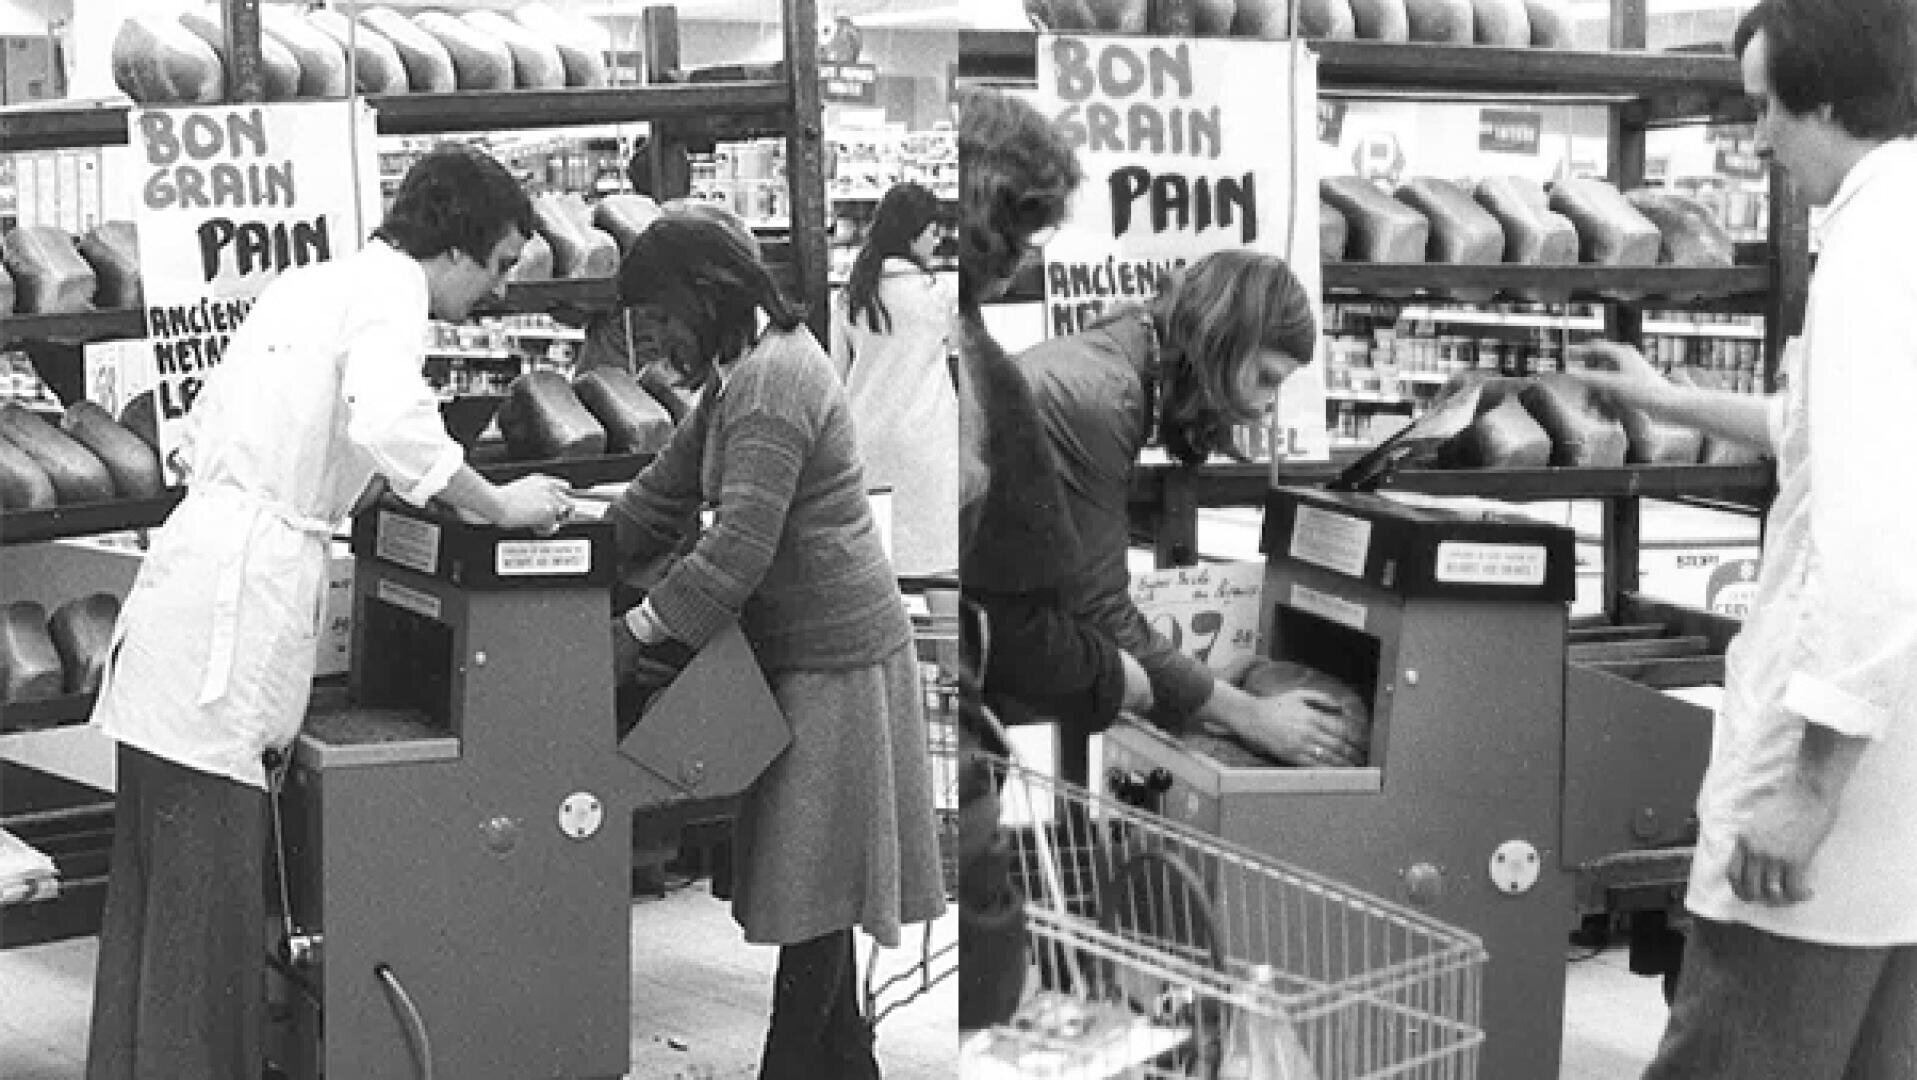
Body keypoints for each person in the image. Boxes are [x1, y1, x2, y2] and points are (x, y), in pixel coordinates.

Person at [85, 145, 573, 1080]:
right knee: (209, 898)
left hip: (188, 591)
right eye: (504, 263)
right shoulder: (390, 296)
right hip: (234, 604)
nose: (502, 290)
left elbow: (265, 429)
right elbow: (392, 424)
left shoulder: (311, 284)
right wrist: (499, 505)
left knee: (156, 899)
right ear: (459, 246)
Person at [1570, 2, 1917, 1075]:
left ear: (1826, 102)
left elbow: (1880, 531)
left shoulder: (1874, 250)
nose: (1759, 137)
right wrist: (1668, 397)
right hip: (1895, 803)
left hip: (1835, 786)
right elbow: (1818, 434)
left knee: (1737, 1050)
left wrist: (1808, 789)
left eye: (1767, 107)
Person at [602, 215, 945, 1079]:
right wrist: (557, 566)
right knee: (813, 883)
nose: (658, 339)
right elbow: (659, 496)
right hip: (794, 655)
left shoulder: (774, 380)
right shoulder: (734, 381)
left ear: (704, 293)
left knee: (812, 889)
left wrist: (631, 632)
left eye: (663, 315)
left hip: (838, 657)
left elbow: (737, 550)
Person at [1014, 249, 1366, 782]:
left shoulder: (1112, 365)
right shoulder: (1104, 398)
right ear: (1223, 345)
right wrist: (1252, 716)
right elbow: (1100, 612)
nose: (1265, 405)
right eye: (1267, 377)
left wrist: (1206, 693)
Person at [829, 180, 959, 575]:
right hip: (928, 443)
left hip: (867, 439)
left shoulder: (852, 296)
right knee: (936, 564)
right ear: (912, 233)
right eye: (932, 229)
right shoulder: (940, 295)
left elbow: (838, 371)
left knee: (879, 565)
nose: (937, 238)